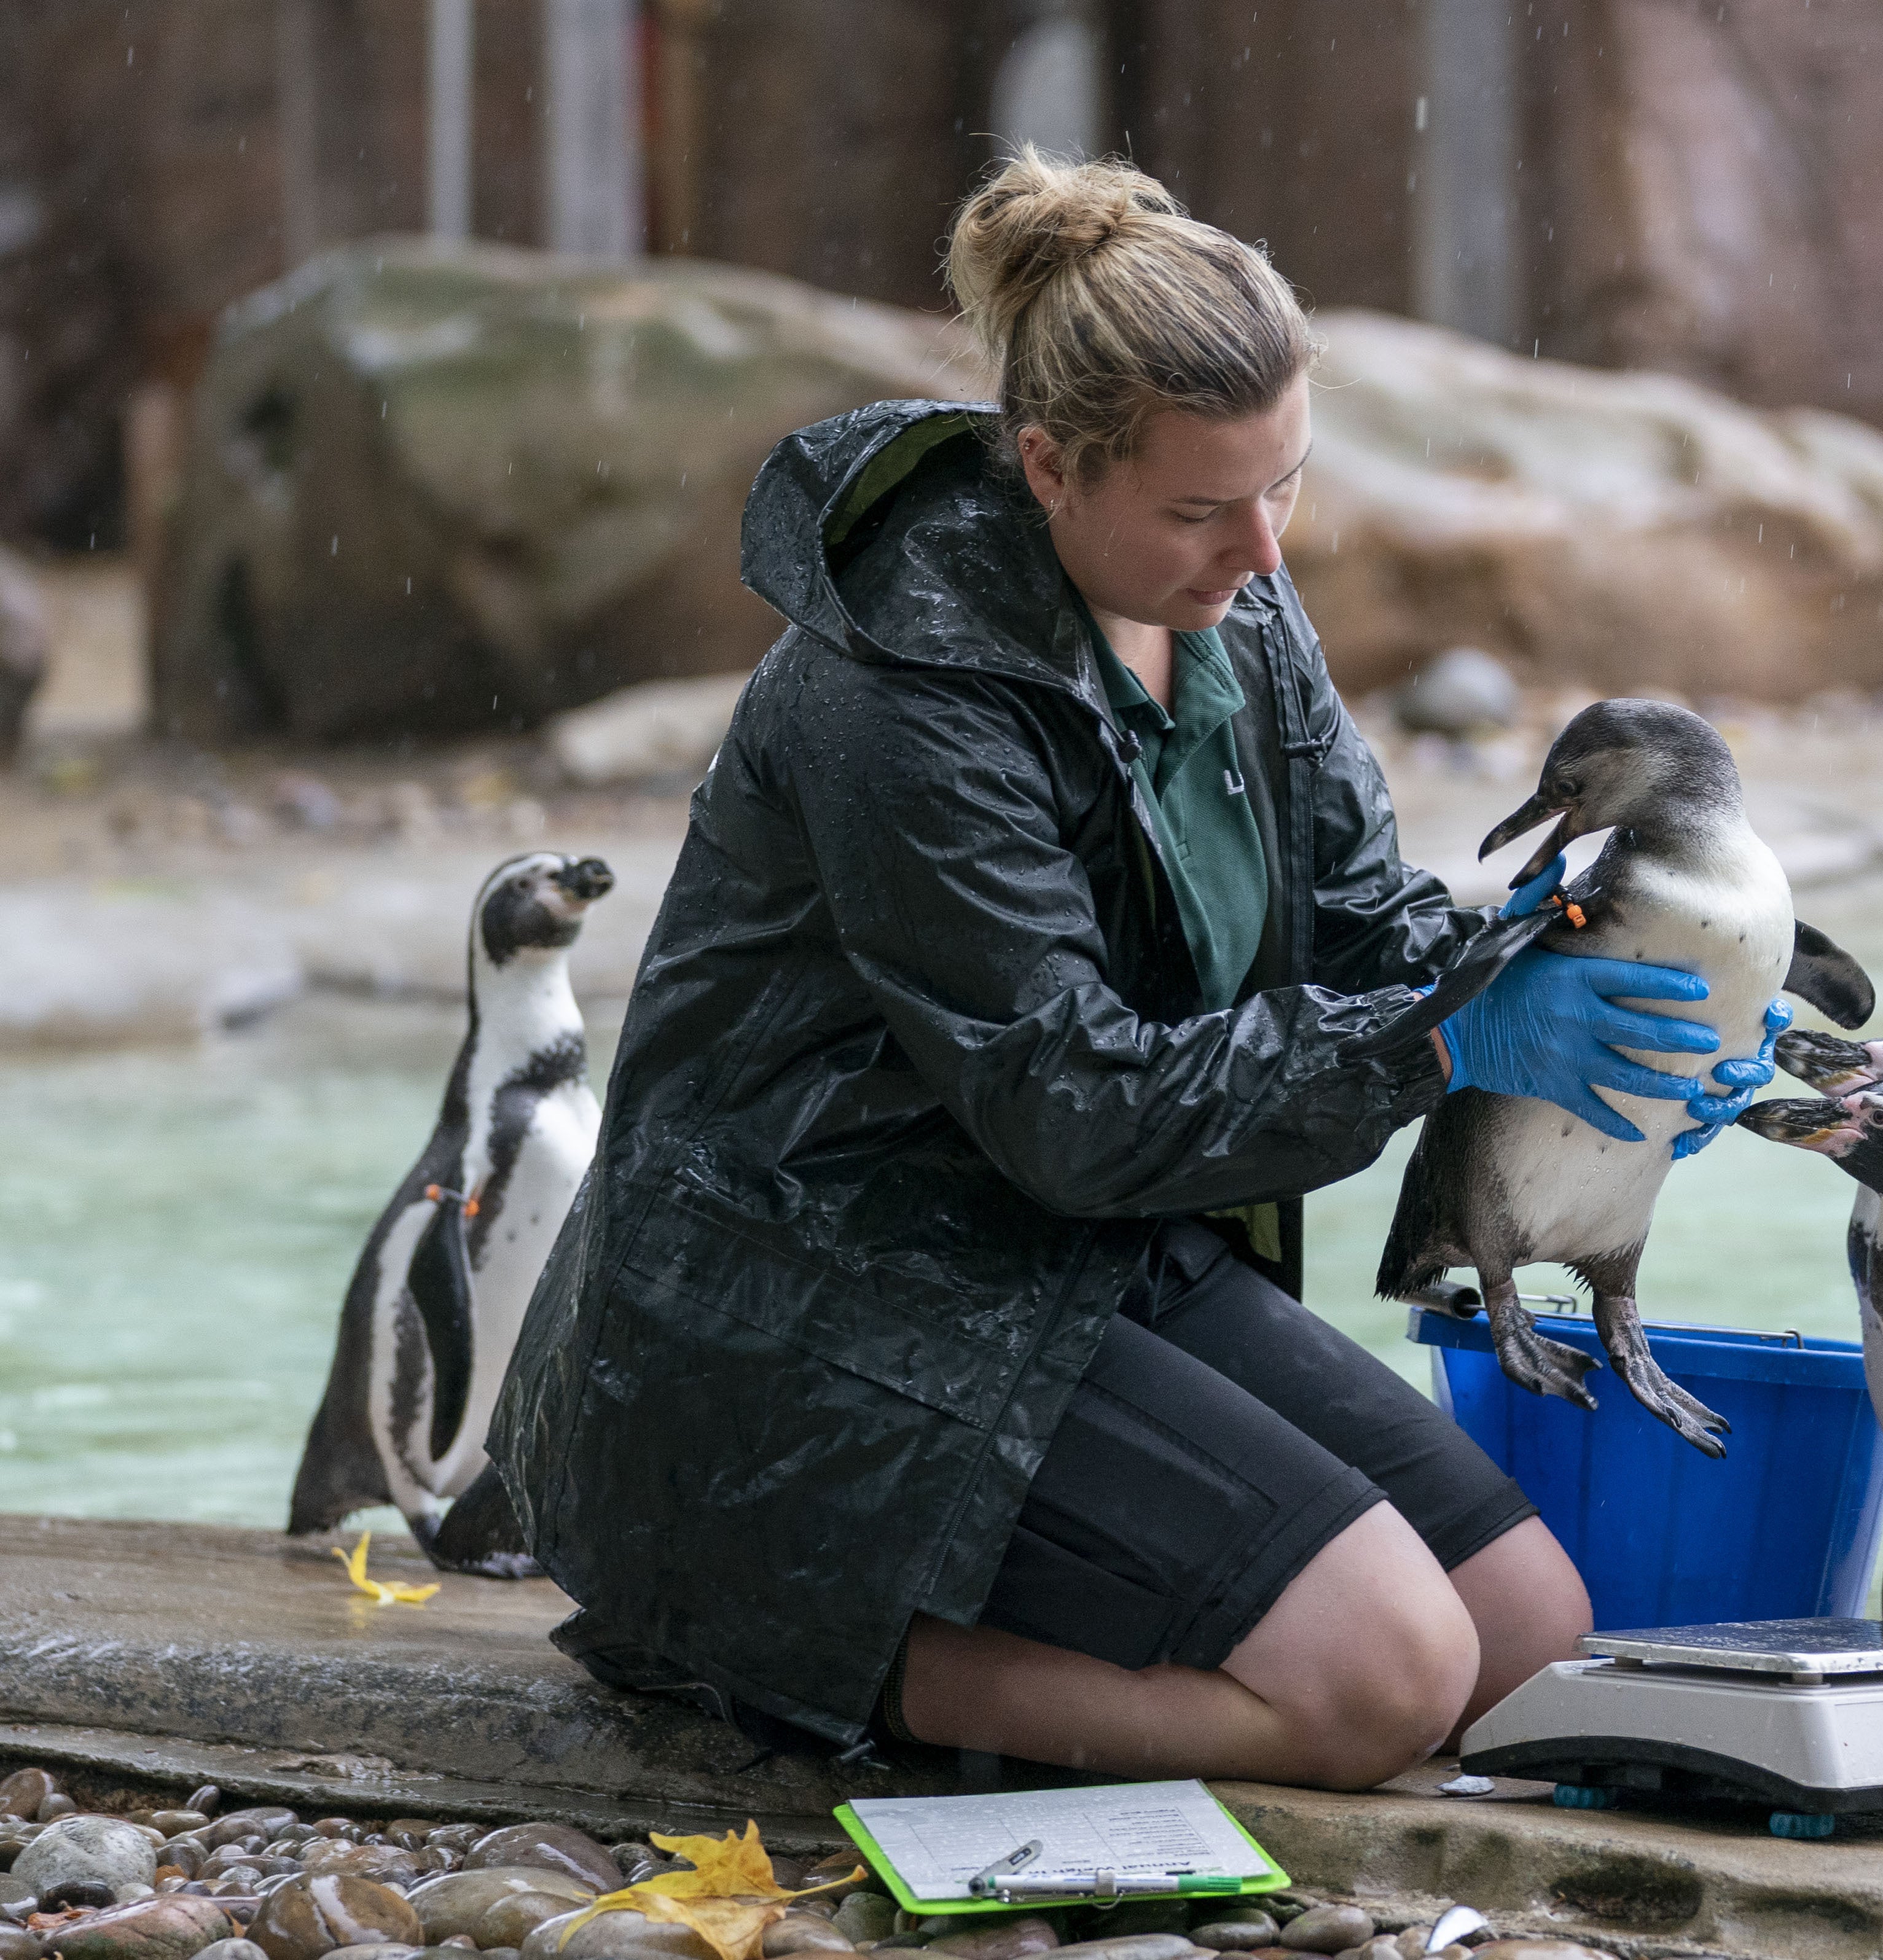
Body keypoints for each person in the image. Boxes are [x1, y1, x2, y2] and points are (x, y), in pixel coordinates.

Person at [491, 148, 1787, 1791]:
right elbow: (1074, 1104)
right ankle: (761, 1638)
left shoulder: (1230, 603)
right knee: (1386, 1687)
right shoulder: (898, 695)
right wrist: (1443, 1049)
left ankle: (1124, 1623)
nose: (1258, 550)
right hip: (829, 1289)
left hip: (1085, 1251)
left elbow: (1365, 924)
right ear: (1045, 465)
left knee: (1526, 1634)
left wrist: (1588, 1000)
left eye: (1285, 489)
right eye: (1198, 509)